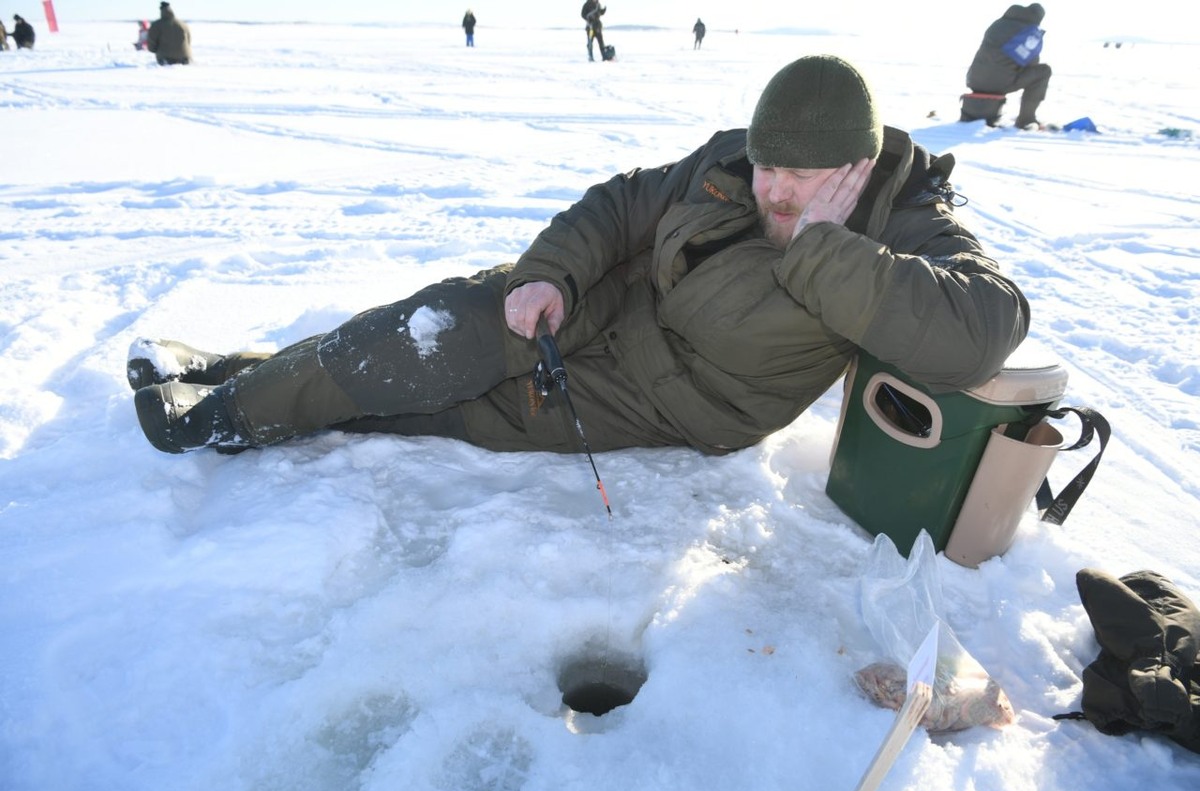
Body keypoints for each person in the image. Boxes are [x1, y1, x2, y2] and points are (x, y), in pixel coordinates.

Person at [129, 55, 1029, 461]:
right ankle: (233, 378)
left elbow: (980, 332)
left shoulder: (909, 211)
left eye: (802, 178)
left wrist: (823, 248)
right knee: (431, 329)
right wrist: (548, 273)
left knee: (455, 406)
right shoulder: (740, 153)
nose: (775, 190)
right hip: (605, 301)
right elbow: (626, 202)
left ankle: (214, 424)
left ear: (857, 167)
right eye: (766, 167)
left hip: (679, 401)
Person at [964, 4, 1052, 128]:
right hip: (999, 84)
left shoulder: (997, 24)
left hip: (974, 79)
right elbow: (1032, 64)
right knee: (1044, 71)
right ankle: (1026, 119)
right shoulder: (1030, 33)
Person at [147, 2, 192, 66]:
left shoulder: (157, 25)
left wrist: (155, 50)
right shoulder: (183, 24)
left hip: (166, 58)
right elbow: (188, 40)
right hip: (184, 58)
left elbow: (151, 42)